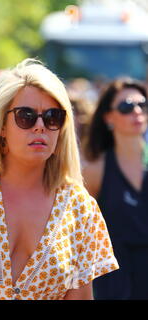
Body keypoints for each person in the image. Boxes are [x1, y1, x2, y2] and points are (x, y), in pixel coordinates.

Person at [0, 59, 119, 300]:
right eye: (25, 116)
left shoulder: (80, 207)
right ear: (1, 125)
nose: (40, 127)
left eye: (52, 117)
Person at [82, 78, 148, 299]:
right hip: (114, 286)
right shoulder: (95, 170)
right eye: (126, 106)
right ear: (108, 117)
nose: (137, 111)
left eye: (143, 105)